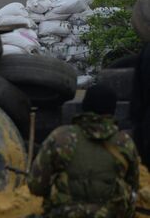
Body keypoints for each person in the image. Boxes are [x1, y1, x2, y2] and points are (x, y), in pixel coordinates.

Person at [28, 84, 140, 218]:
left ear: (84, 106)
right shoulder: (125, 142)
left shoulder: (60, 137)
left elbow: (36, 186)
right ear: (113, 110)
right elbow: (134, 186)